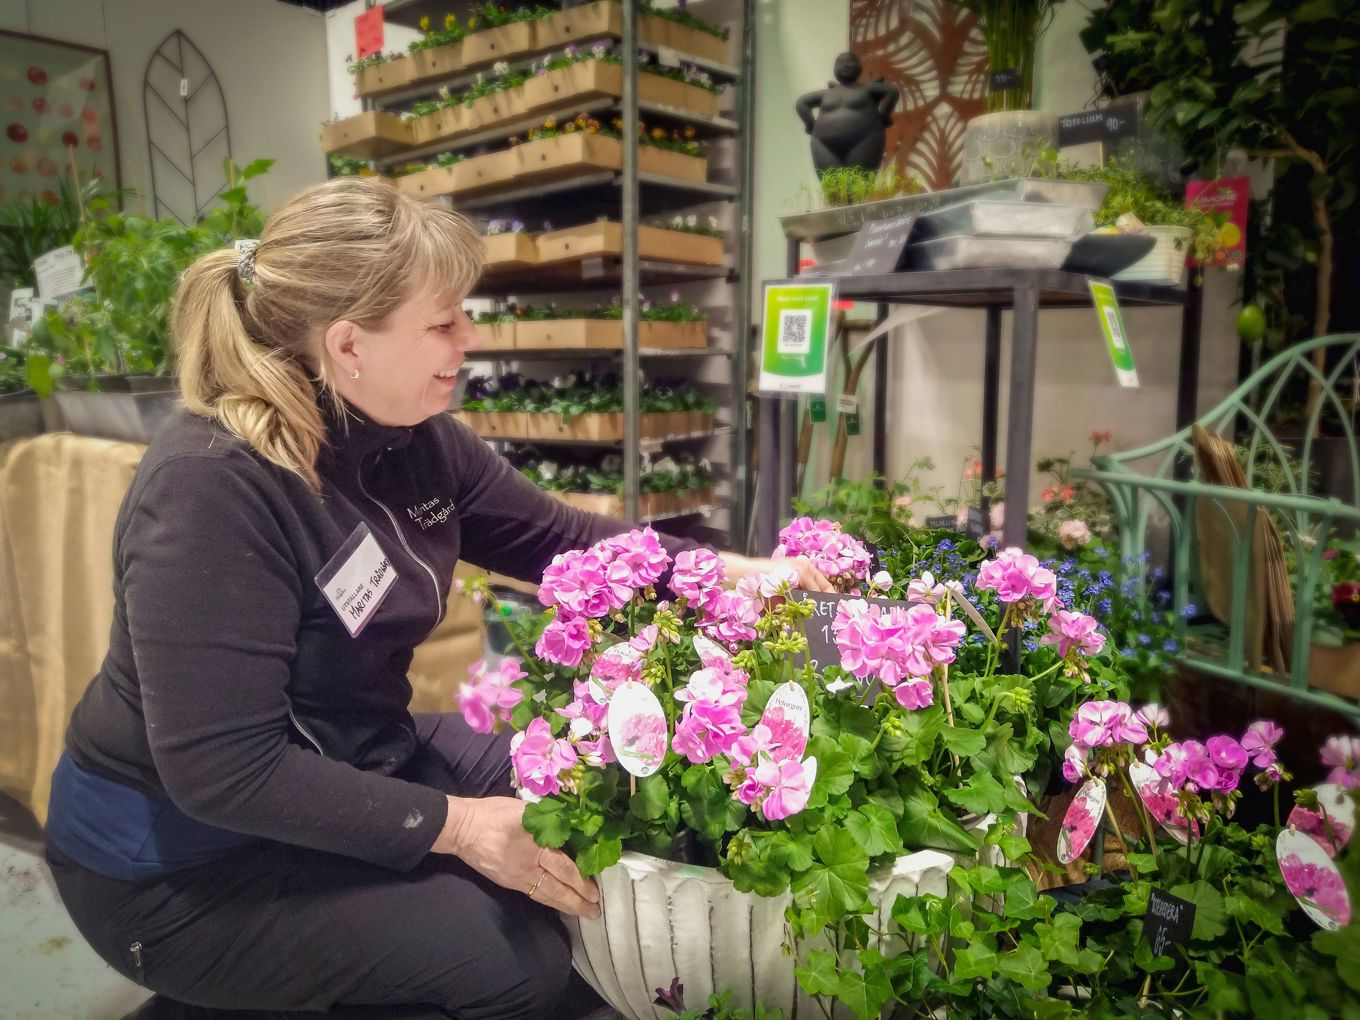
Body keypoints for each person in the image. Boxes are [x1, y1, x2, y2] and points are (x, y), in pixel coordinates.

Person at [43, 177, 832, 1020]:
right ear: (349, 343)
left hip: (352, 757)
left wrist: (744, 573)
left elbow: (564, 540)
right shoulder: (213, 487)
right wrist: (460, 828)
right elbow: (224, 772)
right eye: (443, 322)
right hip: (181, 864)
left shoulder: (417, 442)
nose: (470, 339)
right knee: (509, 967)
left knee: (591, 796)